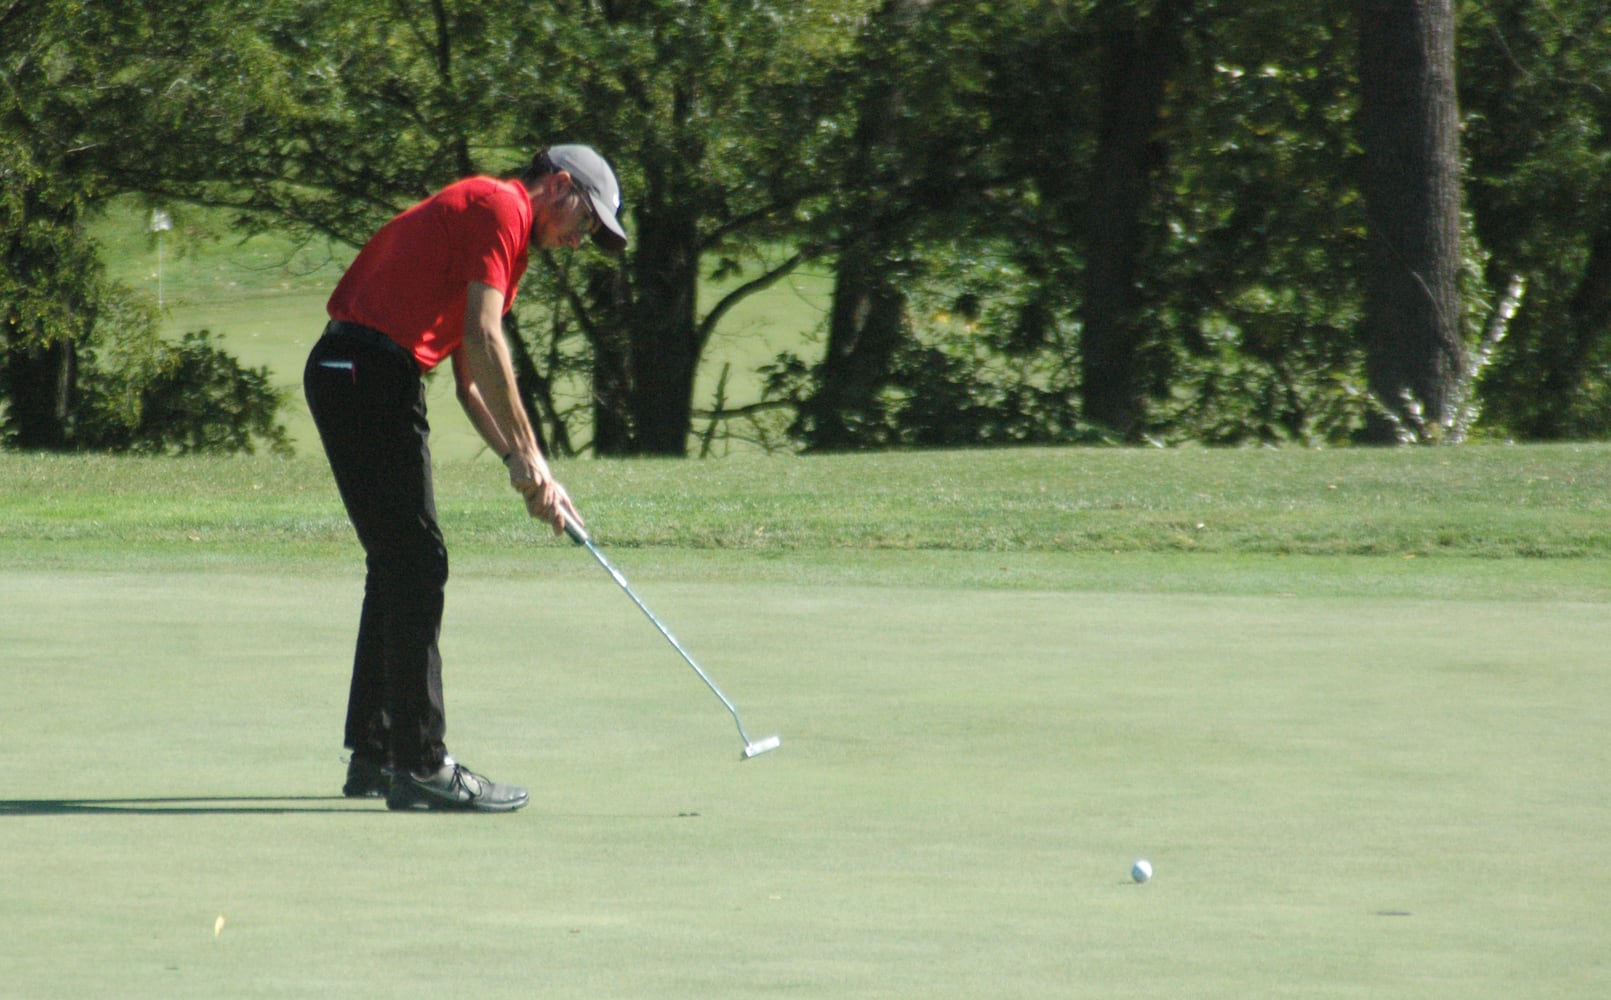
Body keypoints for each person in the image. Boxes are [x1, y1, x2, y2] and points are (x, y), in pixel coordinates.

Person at [303, 144, 628, 812]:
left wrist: (523, 468)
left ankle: (377, 750)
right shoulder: (500, 207)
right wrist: (535, 457)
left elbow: (467, 384)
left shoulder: (506, 243)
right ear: (558, 184)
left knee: (399, 562)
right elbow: (483, 341)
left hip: (356, 371)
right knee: (417, 562)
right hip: (364, 370)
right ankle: (419, 765)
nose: (581, 237)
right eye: (585, 219)